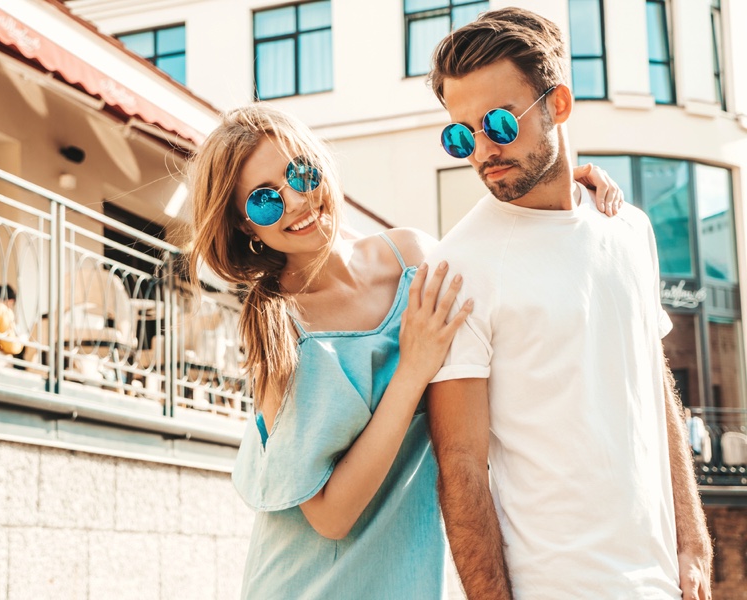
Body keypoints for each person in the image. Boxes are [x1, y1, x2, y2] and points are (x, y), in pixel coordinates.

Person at [187, 104, 622, 599]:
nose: (296, 201)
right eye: (266, 201)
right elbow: (330, 515)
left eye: (300, 173)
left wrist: (560, 195)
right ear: (246, 226)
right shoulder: (280, 331)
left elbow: (505, 286)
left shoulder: (412, 257)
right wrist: (412, 368)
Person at [423, 8, 712, 600]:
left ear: (557, 105)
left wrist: (693, 545)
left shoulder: (629, 229)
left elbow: (655, 392)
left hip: (660, 583)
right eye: (461, 134)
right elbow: (461, 468)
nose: (481, 151)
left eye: (500, 124)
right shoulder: (459, 269)